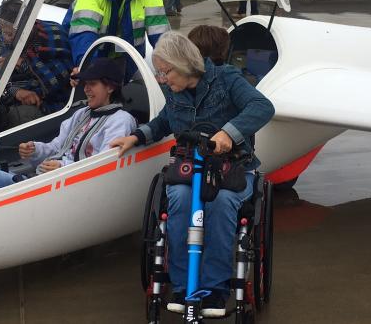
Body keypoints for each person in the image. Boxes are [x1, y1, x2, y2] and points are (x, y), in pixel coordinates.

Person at [110, 32, 274, 317]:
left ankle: (213, 288)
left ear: (184, 64)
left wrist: (229, 133)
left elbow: (262, 107)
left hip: (233, 169)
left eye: (166, 71)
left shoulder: (227, 79)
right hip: (191, 170)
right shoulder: (175, 94)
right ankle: (184, 284)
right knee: (180, 198)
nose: (163, 78)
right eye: (159, 72)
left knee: (222, 204)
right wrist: (136, 137)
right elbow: (163, 122)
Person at [0, 57, 136, 189]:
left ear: (111, 87)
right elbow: (57, 146)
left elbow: (104, 165)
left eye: (92, 84)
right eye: (85, 84)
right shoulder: (82, 113)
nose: (86, 89)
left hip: (70, 187)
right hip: (48, 178)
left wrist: (62, 167)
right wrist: (35, 149)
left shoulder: (120, 120)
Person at [0, 0, 73, 129]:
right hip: (4, 100)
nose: (9, 38)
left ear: (29, 25)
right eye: (6, 33)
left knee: (19, 118)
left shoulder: (54, 33)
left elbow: (62, 77)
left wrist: (24, 65)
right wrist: (15, 91)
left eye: (15, 33)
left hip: (48, 105)